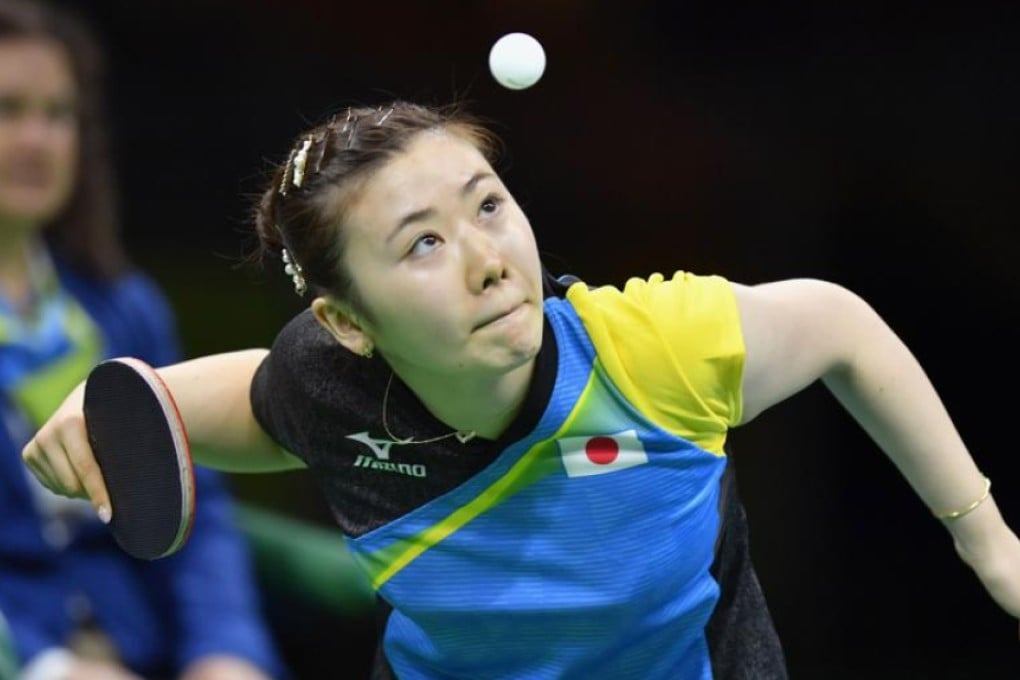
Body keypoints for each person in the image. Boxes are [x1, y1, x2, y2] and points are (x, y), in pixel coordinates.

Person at [22, 100, 1020, 679]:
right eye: (423, 241)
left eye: (489, 206)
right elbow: (228, 402)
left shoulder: (653, 351)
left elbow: (841, 323)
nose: (491, 260)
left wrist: (989, 540)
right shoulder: (324, 386)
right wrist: (102, 410)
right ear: (347, 322)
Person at [0, 1, 284, 678]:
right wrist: (43, 666)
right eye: (8, 109)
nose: (37, 138)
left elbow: (199, 508)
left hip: (147, 652)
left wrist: (227, 651)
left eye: (58, 113)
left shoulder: (126, 309)